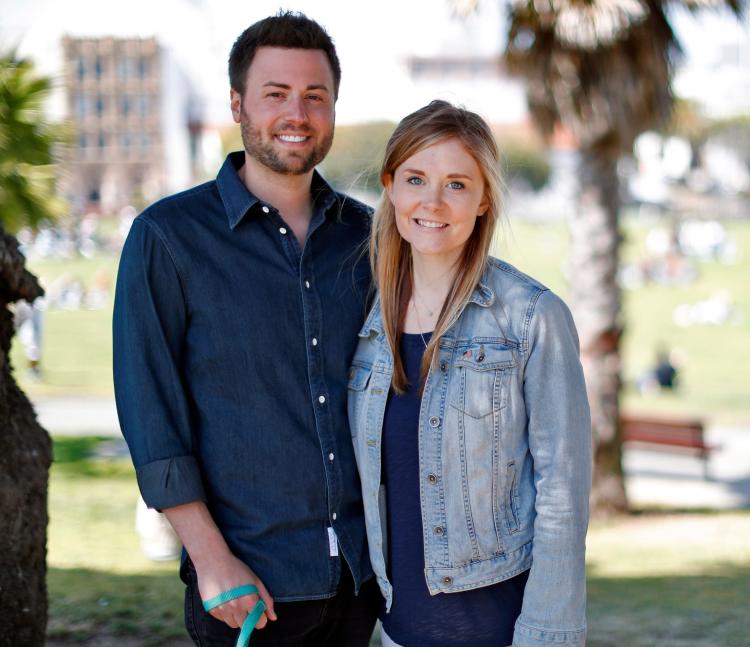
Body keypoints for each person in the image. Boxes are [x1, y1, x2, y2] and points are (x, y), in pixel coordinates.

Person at [113, 12, 380, 646]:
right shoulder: (168, 238)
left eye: (315, 96)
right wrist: (210, 560)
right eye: (276, 94)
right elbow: (152, 416)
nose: (298, 112)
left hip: (362, 582)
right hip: (246, 586)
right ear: (238, 104)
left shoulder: (371, 239)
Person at [348, 100, 592, 647]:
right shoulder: (365, 318)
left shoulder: (531, 316)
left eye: (456, 184)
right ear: (390, 187)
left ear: (484, 199)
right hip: (395, 633)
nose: (432, 202)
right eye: (416, 178)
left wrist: (549, 633)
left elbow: (563, 490)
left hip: (499, 633)